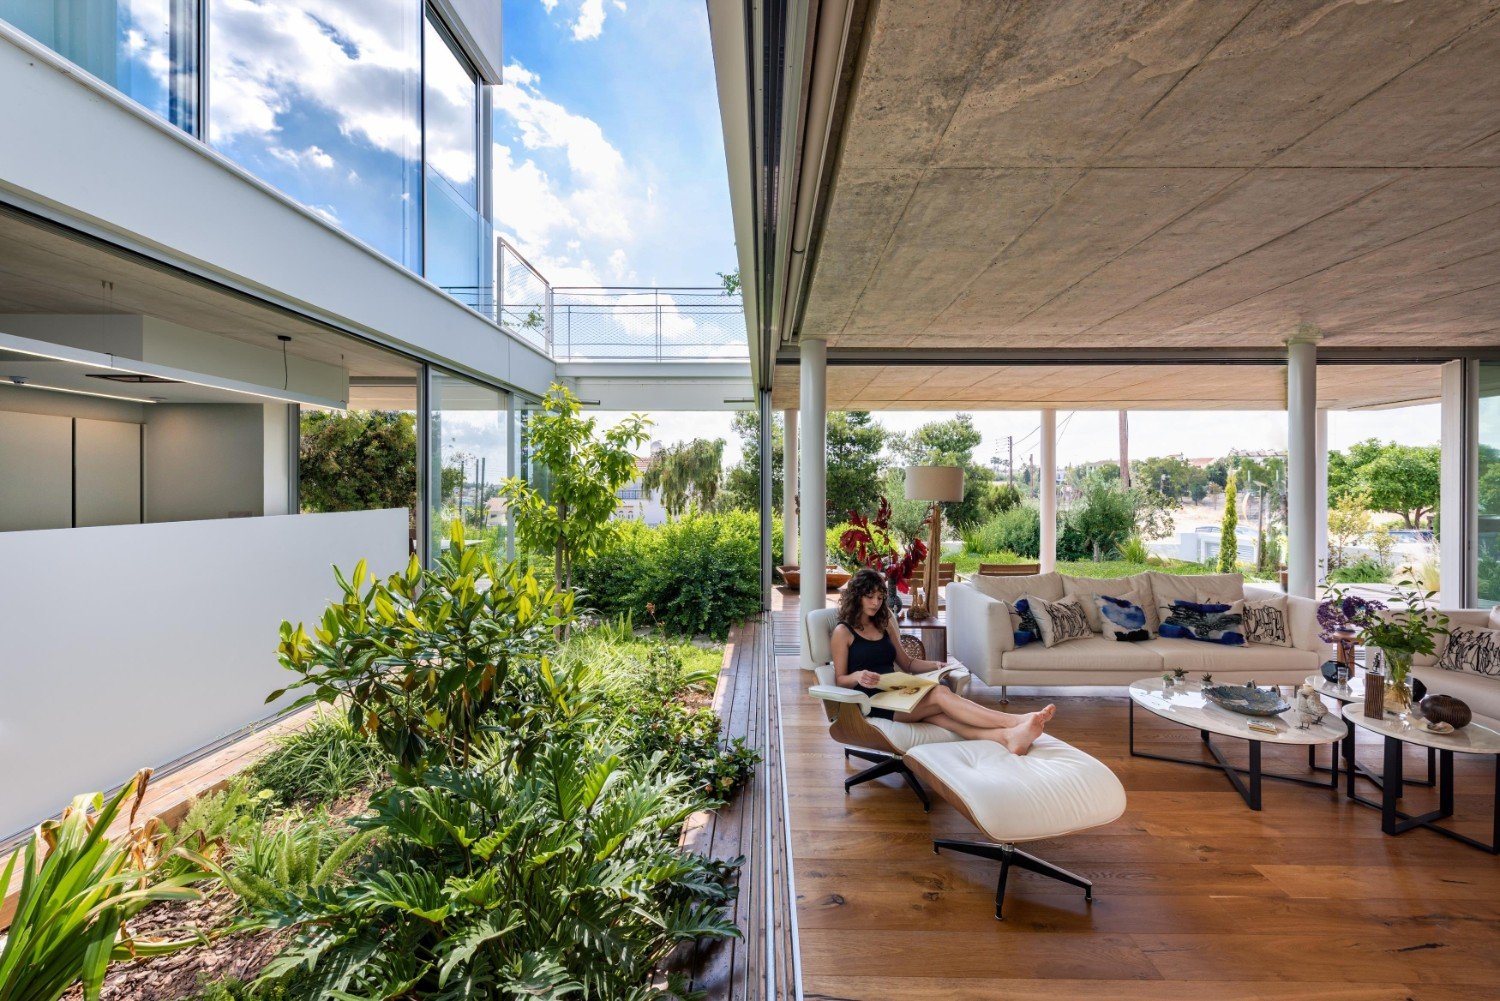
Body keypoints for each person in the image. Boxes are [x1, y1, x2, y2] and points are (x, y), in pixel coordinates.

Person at [831, 567, 1054, 755]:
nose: (876, 602)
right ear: (857, 596)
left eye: (880, 597)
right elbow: (840, 680)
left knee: (943, 714)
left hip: (899, 692)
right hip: (874, 701)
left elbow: (907, 664)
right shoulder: (843, 632)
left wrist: (937, 665)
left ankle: (1007, 738)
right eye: (869, 597)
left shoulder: (884, 624)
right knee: (939, 695)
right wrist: (858, 676)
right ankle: (1014, 721)